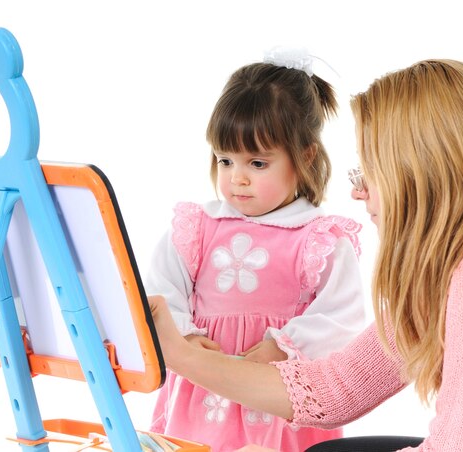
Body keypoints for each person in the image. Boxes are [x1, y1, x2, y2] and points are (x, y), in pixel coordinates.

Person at [148, 58, 463, 451]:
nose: (358, 191)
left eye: (371, 170)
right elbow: (336, 390)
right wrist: (182, 357)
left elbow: (460, 446)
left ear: (419, 173)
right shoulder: (446, 278)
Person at [145, 47, 366, 451]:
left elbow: (343, 317)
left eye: (257, 164)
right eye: (225, 161)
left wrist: (285, 345)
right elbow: (159, 292)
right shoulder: (197, 229)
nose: (237, 179)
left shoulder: (318, 239)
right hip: (203, 398)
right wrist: (186, 339)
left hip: (280, 402)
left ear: (304, 156)